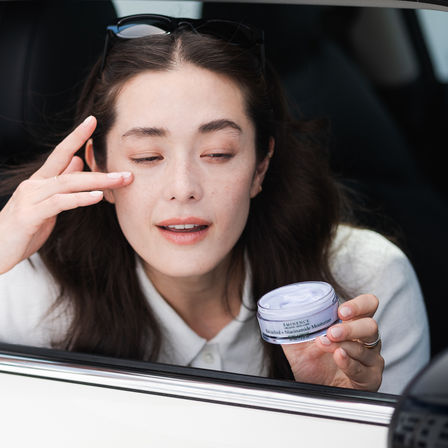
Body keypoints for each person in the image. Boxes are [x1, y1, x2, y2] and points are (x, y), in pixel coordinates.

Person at [0, 15, 429, 394]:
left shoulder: (367, 280)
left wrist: (337, 409)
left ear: (261, 166)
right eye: (148, 157)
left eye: (218, 153)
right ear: (98, 165)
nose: (183, 188)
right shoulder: (23, 286)